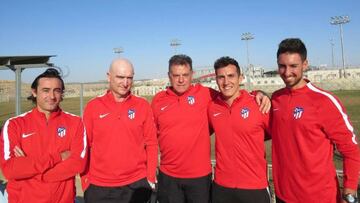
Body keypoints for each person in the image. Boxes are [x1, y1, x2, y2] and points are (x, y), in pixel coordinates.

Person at [151, 54, 270, 203]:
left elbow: (233, 95)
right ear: (169, 76)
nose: (181, 80)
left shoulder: (206, 94)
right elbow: (149, 137)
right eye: (176, 75)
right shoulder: (158, 101)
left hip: (202, 179)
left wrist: (260, 93)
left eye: (185, 75)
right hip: (171, 177)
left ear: (192, 75)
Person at [271, 38, 360, 203]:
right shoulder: (276, 98)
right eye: (282, 66)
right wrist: (258, 93)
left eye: (293, 66)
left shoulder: (324, 101)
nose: (287, 72)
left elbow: (351, 150)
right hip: (283, 195)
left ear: (305, 64)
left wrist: (350, 192)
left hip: (318, 197)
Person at [0, 68, 87, 203]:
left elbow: (78, 164)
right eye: (45, 90)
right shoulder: (14, 125)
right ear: (34, 92)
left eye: (57, 91)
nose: (52, 96)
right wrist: (58, 157)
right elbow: (10, 170)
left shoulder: (75, 123)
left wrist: (31, 169)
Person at [81, 58, 158, 203]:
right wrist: (86, 182)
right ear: (108, 76)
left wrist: (150, 178)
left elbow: (152, 144)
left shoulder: (142, 105)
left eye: (130, 77)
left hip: (137, 184)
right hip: (100, 187)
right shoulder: (93, 107)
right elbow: (85, 148)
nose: (125, 82)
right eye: (120, 77)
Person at [208, 56, 271, 203]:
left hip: (254, 187)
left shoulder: (258, 104)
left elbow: (275, 135)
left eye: (231, 76)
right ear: (216, 80)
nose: (226, 82)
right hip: (222, 186)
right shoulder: (212, 107)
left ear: (240, 77)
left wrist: (261, 93)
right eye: (221, 77)